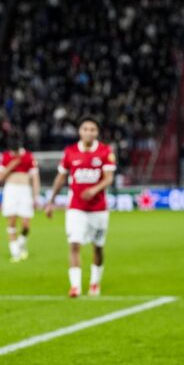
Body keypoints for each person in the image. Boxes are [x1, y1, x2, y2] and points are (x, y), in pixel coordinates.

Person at [44, 116, 116, 297]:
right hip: (75, 207)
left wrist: (94, 190)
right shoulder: (70, 152)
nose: (89, 132)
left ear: (97, 132)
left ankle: (94, 282)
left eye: (92, 129)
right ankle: (75, 286)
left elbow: (108, 178)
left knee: (97, 247)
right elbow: (61, 177)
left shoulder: (105, 151)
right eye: (85, 129)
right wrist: (51, 201)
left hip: (98, 209)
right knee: (74, 244)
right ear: (80, 131)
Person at [0, 135, 41, 262]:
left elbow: (35, 178)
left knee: (26, 224)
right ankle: (15, 253)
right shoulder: (5, 157)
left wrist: (36, 196)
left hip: (25, 190)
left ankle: (20, 244)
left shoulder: (28, 156)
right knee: (12, 221)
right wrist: (11, 165)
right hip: (11, 190)